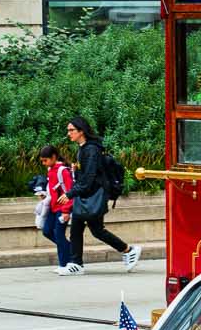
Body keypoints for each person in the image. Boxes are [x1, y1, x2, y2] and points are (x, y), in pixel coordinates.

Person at [65, 117, 138, 272]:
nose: (69, 133)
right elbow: (86, 174)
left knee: (96, 230)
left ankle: (128, 250)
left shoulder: (91, 149)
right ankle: (76, 263)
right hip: (86, 195)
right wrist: (76, 170)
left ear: (81, 131)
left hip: (93, 196)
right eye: (68, 130)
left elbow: (90, 177)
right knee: (78, 229)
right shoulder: (83, 148)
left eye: (71, 130)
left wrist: (71, 193)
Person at [37, 145, 77, 273]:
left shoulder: (62, 171)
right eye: (42, 161)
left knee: (59, 236)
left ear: (53, 157)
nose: (44, 163)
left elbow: (70, 191)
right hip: (53, 208)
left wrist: (66, 211)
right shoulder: (51, 169)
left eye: (45, 160)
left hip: (62, 208)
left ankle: (64, 264)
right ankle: (71, 250)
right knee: (47, 231)